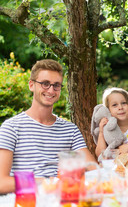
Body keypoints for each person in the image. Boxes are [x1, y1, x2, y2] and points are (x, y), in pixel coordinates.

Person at [0, 59, 96, 194]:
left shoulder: (70, 130)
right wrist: (47, 181)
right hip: (28, 200)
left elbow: (94, 170)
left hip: (65, 199)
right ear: (31, 85)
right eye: (45, 84)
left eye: (56, 85)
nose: (51, 90)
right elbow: (2, 183)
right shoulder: (11, 128)